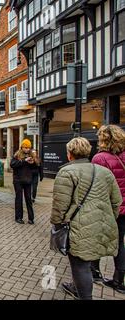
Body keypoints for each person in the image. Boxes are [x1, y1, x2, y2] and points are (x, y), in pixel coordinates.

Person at [51, 137, 121, 300]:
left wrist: (57, 224)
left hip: (79, 227)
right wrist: (109, 219)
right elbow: (117, 201)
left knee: (80, 266)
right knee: (87, 262)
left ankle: (84, 295)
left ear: (69, 154)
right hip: (102, 226)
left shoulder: (66, 172)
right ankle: (78, 289)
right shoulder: (104, 171)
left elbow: (60, 205)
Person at [90, 125, 125, 293]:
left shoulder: (100, 158)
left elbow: (98, 187)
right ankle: (118, 280)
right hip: (124, 207)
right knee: (119, 243)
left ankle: (94, 272)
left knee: (97, 238)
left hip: (108, 207)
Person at [10, 139, 37, 224]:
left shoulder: (32, 155)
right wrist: (24, 161)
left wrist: (33, 163)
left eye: (28, 147)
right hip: (18, 180)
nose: (27, 149)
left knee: (28, 199)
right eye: (25, 147)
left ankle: (31, 218)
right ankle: (18, 217)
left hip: (28, 180)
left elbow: (36, 168)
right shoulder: (17, 155)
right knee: (19, 199)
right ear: (22, 147)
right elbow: (12, 164)